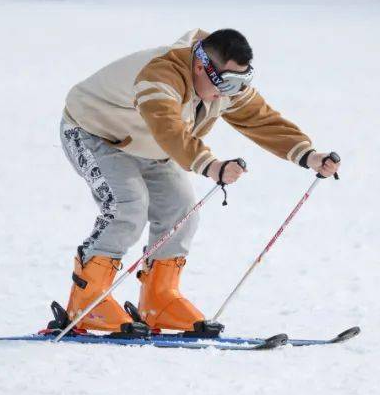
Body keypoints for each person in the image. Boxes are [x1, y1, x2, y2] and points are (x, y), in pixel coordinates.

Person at [51, 28, 341, 337]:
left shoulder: (221, 85)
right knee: (129, 205)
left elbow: (260, 119)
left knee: (181, 210)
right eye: (227, 83)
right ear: (201, 67)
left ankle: (159, 299)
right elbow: (168, 128)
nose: (230, 92)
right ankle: (87, 300)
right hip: (95, 133)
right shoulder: (160, 75)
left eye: (241, 83)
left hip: (150, 146)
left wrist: (307, 154)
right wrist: (211, 165)